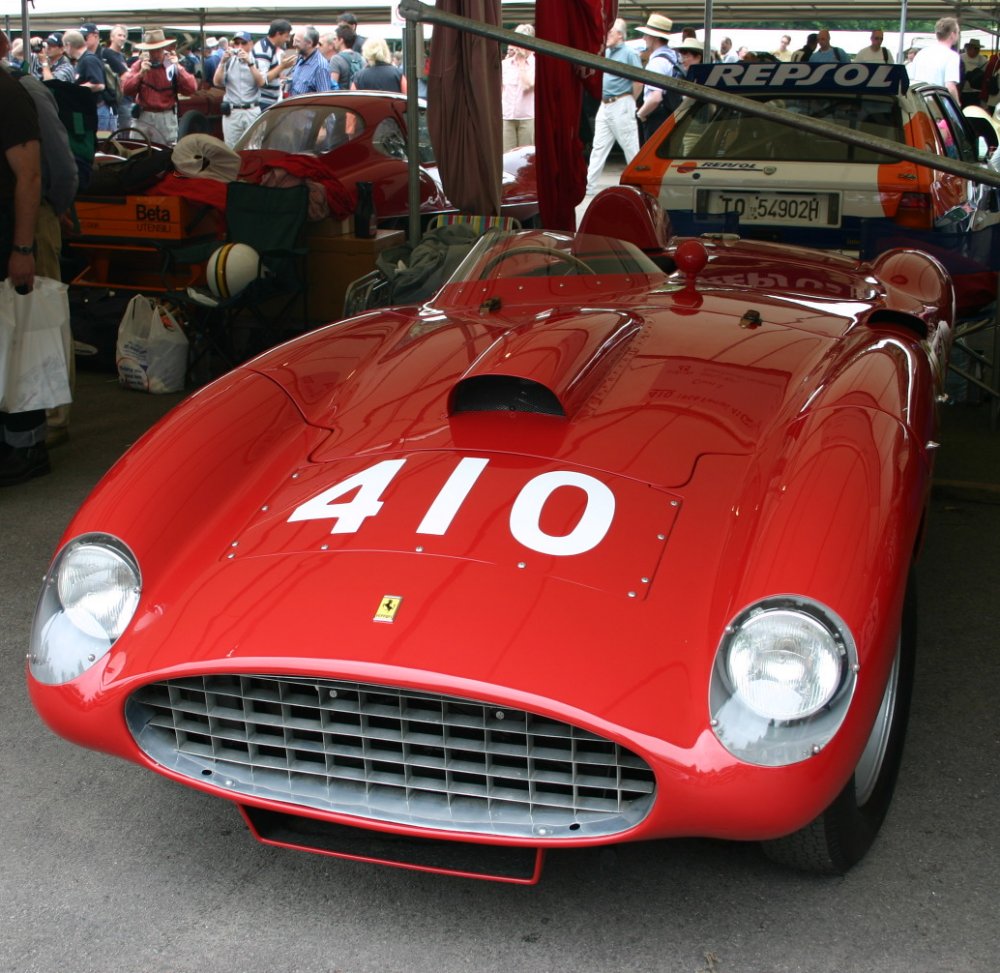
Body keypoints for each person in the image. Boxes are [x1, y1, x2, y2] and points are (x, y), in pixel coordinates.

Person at [0, 60, 49, 485]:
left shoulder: (8, 94)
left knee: (18, 347)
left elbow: (30, 175)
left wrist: (22, 246)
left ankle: (27, 446)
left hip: (6, 243)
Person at [585, 19, 641, 195]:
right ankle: (589, 186)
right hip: (606, 103)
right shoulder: (607, 52)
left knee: (630, 146)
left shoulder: (630, 53)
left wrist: (631, 100)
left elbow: (639, 79)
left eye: (610, 32)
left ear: (620, 34)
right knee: (598, 147)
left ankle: (638, 185)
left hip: (621, 101)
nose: (607, 35)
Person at [120, 28, 197, 145]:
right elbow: (126, 89)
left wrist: (178, 67)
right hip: (143, 115)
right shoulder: (140, 64)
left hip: (165, 116)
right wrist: (141, 74)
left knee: (165, 154)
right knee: (137, 151)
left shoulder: (171, 65)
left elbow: (191, 88)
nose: (154, 54)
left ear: (163, 49)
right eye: (151, 50)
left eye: (157, 50)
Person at [635, 13, 681, 145]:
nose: (644, 38)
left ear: (654, 37)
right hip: (669, 113)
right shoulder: (673, 56)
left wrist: (641, 114)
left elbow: (656, 97)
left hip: (657, 116)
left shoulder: (657, 62)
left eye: (646, 34)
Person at [213, 31, 264, 147]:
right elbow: (216, 82)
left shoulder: (257, 62)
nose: (240, 47)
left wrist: (250, 63)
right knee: (232, 149)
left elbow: (261, 82)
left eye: (244, 43)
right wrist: (222, 62)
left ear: (251, 44)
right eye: (237, 43)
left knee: (254, 148)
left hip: (252, 110)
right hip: (233, 112)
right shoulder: (229, 61)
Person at [909, 17, 961, 103]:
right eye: (958, 32)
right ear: (952, 34)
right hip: (939, 107)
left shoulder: (921, 53)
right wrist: (957, 104)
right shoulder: (952, 56)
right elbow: (950, 87)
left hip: (919, 104)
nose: (958, 35)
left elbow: (911, 81)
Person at [501, 25, 535, 151]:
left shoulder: (536, 63)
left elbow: (528, 85)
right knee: (506, 156)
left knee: (525, 156)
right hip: (506, 117)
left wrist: (521, 64)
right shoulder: (505, 64)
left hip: (527, 117)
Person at [253, 19, 295, 110]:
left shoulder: (271, 48)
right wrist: (282, 67)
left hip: (270, 100)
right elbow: (262, 80)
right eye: (286, 36)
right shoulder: (264, 50)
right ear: (277, 34)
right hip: (264, 101)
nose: (287, 40)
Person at [286, 26, 331, 96]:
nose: (293, 44)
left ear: (309, 43)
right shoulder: (300, 59)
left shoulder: (320, 66)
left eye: (297, 41)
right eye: (293, 40)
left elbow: (324, 98)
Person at [330, 26, 365, 91]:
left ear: (341, 40)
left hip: (343, 98)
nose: (333, 42)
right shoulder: (361, 59)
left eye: (335, 39)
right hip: (359, 98)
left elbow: (332, 85)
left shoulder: (336, 59)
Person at [960, 38, 987, 107]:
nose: (977, 51)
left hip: (976, 92)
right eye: (974, 48)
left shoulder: (983, 60)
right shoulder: (961, 57)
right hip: (963, 90)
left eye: (978, 49)